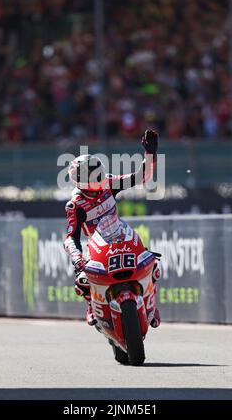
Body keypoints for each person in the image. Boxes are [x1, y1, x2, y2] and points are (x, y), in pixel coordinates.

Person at [64, 130, 161, 326]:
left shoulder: (109, 183)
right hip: (97, 250)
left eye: (100, 172)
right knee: (82, 280)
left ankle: (151, 304)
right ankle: (92, 305)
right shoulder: (76, 205)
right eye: (96, 175)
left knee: (153, 265)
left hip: (120, 237)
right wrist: (78, 260)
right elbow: (70, 238)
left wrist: (150, 154)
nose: (101, 178)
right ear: (83, 180)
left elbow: (141, 177)